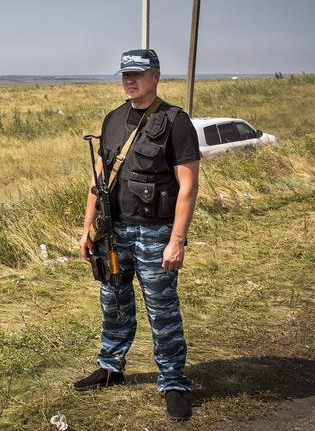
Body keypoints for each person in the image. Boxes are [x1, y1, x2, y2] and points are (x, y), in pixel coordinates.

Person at [74, 49, 200, 420]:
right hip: (114, 232)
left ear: (156, 76)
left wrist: (176, 240)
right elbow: (99, 181)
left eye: (138, 74)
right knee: (113, 300)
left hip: (155, 232)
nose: (130, 80)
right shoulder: (113, 119)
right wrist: (87, 228)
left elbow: (188, 186)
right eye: (125, 74)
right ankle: (111, 366)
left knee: (161, 308)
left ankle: (174, 381)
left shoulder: (175, 121)